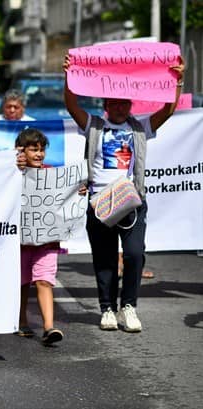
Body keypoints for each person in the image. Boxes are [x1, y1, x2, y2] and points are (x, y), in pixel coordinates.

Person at [63, 54, 184, 332]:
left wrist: (177, 81)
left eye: (124, 102)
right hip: (100, 203)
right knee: (104, 260)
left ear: (131, 105)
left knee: (134, 255)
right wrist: (69, 76)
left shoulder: (139, 127)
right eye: (114, 103)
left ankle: (129, 307)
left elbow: (167, 110)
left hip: (131, 203)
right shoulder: (94, 125)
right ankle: (107, 309)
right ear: (106, 105)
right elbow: (71, 105)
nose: (119, 107)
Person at [15, 128, 87, 345]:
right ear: (22, 151)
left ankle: (48, 327)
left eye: (41, 150)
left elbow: (66, 194)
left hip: (47, 240)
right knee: (22, 282)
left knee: (44, 280)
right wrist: (14, 167)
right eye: (33, 150)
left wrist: (79, 191)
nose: (39, 154)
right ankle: (21, 321)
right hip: (20, 242)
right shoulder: (13, 173)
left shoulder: (52, 174)